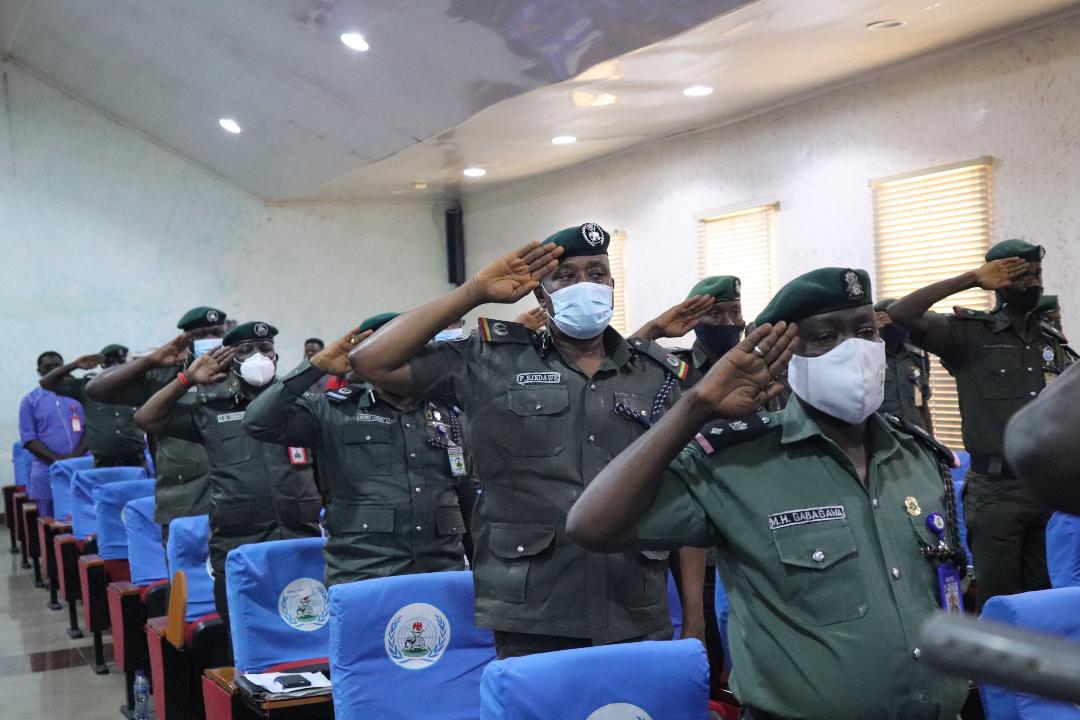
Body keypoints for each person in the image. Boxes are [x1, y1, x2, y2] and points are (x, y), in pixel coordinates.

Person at [567, 268, 969, 720]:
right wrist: (695, 407)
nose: (854, 350)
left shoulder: (918, 457)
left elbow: (945, 591)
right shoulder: (737, 462)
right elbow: (591, 525)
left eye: (865, 332)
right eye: (825, 336)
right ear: (785, 355)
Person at [351, 223, 694, 658]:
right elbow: (370, 361)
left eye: (596, 273)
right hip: (533, 607)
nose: (583, 285)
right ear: (540, 293)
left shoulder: (656, 375)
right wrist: (474, 291)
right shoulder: (491, 359)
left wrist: (695, 622)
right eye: (565, 276)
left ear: (612, 284)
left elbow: (686, 494)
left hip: (636, 603)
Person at [887, 239, 1074, 610]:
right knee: (1001, 601)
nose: (1034, 283)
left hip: (1045, 492)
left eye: (1037, 274)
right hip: (995, 493)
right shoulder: (968, 334)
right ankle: (996, 671)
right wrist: (971, 278)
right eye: (1023, 275)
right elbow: (900, 313)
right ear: (998, 281)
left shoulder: (1049, 341)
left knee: (1043, 600)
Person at [244, 313, 480, 586]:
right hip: (364, 577)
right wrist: (316, 366)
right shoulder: (332, 411)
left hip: (441, 575)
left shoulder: (449, 416)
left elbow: (467, 498)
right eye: (386, 352)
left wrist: (480, 573)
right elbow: (257, 422)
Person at [133, 321, 322, 633]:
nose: (257, 357)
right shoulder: (210, 410)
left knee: (308, 635)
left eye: (265, 349)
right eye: (245, 350)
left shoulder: (304, 407)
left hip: (301, 543)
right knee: (245, 640)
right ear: (231, 360)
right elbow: (145, 418)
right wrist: (186, 378)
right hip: (238, 547)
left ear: (276, 357)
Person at [87, 306, 227, 541]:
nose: (210, 341)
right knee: (185, 575)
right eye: (201, 335)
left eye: (216, 333)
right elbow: (97, 390)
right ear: (185, 340)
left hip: (235, 501)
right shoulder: (163, 377)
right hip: (183, 501)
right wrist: (150, 361)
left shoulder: (241, 372)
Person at [39, 345, 147, 468]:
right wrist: (75, 365)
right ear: (103, 366)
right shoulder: (87, 387)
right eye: (110, 362)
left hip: (137, 462)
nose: (117, 366)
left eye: (121, 361)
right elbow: (46, 383)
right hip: (103, 465)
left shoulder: (139, 387)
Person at [19, 352, 88, 518]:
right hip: (46, 469)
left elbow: (93, 428)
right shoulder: (30, 401)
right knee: (50, 523)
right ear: (39, 371)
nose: (53, 369)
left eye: (57, 365)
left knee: (86, 515)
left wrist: (76, 456)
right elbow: (29, 439)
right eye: (47, 367)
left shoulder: (80, 394)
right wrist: (57, 460)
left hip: (83, 464)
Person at [874, 299, 934, 432]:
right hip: (886, 440)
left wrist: (932, 441)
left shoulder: (917, 355)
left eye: (901, 322)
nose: (899, 327)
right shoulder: (868, 358)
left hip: (917, 437)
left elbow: (922, 403)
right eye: (890, 323)